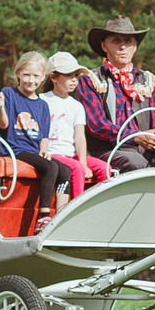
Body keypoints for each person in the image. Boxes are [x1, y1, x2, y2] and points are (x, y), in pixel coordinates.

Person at [80, 15, 155, 173]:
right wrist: (135, 136)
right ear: (104, 46)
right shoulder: (91, 80)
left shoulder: (147, 80)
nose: (123, 46)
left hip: (151, 149)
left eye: (128, 41)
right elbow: (97, 125)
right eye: (116, 41)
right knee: (136, 162)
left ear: (135, 47)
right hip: (111, 150)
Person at [0, 52, 65, 228]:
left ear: (43, 77)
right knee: (51, 167)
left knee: (65, 171)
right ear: (18, 73)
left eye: (35, 76)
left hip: (34, 151)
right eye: (26, 75)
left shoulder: (43, 105)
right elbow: (3, 125)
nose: (30, 80)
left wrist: (44, 150)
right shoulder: (9, 93)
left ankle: (62, 213)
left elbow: (43, 135)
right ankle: (43, 217)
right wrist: (1, 107)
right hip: (15, 149)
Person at [42, 50, 103, 200]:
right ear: (54, 77)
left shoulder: (77, 106)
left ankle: (100, 206)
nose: (74, 80)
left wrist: (83, 161)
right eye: (68, 75)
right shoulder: (42, 101)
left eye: (76, 76)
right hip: (53, 153)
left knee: (105, 169)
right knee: (76, 169)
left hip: (73, 154)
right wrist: (81, 166)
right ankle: (77, 209)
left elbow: (80, 136)